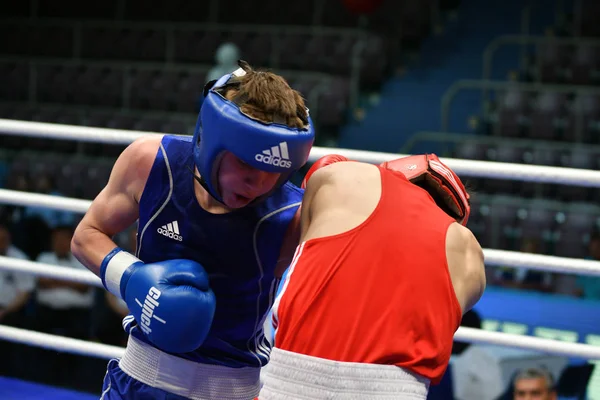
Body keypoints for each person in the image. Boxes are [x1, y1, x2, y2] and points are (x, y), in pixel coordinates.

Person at [71, 60, 314, 400]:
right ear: (212, 139)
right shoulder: (151, 162)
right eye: (246, 162)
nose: (258, 183)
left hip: (234, 390)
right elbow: (86, 235)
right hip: (138, 381)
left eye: (273, 170)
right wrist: (131, 278)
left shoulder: (293, 215)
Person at [259, 154, 486, 399]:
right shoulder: (471, 257)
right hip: (398, 390)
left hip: (293, 378)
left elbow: (290, 253)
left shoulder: (346, 177)